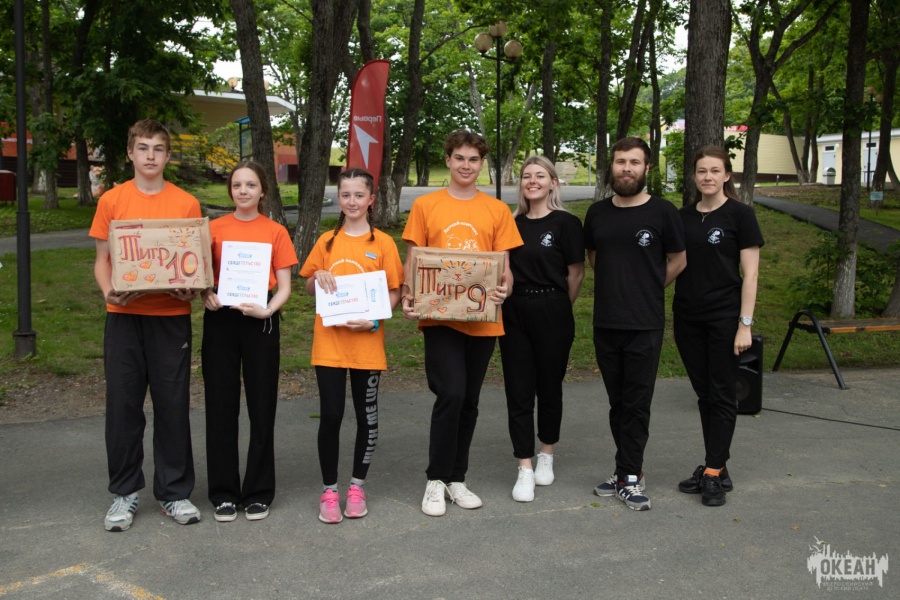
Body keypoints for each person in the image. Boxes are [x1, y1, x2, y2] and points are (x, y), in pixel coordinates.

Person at [401, 130, 523, 517]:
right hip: (440, 317)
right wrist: (408, 295)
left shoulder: (497, 210)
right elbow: (414, 259)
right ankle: (435, 480)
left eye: (473, 159)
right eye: (459, 158)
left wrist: (504, 289)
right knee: (450, 393)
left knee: (469, 401)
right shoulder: (426, 205)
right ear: (448, 160)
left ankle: (457, 478)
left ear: (481, 164)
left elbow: (504, 270)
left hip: (482, 319)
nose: (466, 165)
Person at [90, 119, 203, 531]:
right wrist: (109, 292)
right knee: (123, 407)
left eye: (158, 149)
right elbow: (102, 261)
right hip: (123, 318)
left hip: (170, 319)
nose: (150, 156)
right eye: (143, 148)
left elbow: (192, 265)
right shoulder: (112, 201)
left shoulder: (186, 203)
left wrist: (189, 289)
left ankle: (174, 493)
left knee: (172, 406)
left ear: (168, 156)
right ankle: (124, 493)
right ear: (130, 153)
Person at [584, 136, 686, 511]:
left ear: (646, 168)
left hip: (645, 323)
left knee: (637, 403)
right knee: (618, 403)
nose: (627, 168)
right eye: (621, 161)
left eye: (634, 162)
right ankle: (626, 468)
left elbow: (678, 260)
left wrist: (649, 286)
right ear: (611, 166)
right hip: (606, 322)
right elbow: (594, 256)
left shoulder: (663, 212)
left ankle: (630, 476)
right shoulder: (597, 213)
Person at [300, 168, 403, 524]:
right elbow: (308, 286)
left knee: (366, 416)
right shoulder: (326, 242)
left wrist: (374, 320)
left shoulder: (383, 244)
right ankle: (329, 490)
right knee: (330, 415)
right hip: (329, 345)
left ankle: (357, 486)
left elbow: (395, 292)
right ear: (339, 198)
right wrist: (317, 277)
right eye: (346, 195)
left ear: (371, 199)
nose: (352, 201)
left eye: (359, 195)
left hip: (367, 345)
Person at [200, 161, 298, 522]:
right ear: (231, 190)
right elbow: (201, 277)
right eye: (237, 185)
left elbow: (285, 286)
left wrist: (267, 310)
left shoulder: (275, 231)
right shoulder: (212, 230)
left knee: (261, 406)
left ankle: (258, 491)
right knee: (220, 406)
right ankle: (223, 493)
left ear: (263, 191)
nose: (243, 191)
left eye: (251, 185)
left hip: (261, 319)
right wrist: (205, 295)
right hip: (221, 320)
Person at [673, 145, 763, 507]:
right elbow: (672, 264)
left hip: (725, 318)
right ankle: (718, 466)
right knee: (705, 395)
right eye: (701, 171)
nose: (707, 177)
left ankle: (712, 471)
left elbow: (750, 275)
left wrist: (745, 325)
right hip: (687, 318)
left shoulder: (741, 215)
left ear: (727, 175)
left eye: (714, 171)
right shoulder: (682, 217)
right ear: (694, 176)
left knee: (723, 394)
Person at [498, 156, 584, 503]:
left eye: (539, 176)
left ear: (552, 183)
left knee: (549, 387)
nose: (532, 181)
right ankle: (524, 466)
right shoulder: (510, 223)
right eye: (526, 176)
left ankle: (546, 452)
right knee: (518, 390)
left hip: (553, 310)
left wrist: (559, 305)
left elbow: (575, 273)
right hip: (514, 311)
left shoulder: (567, 223)